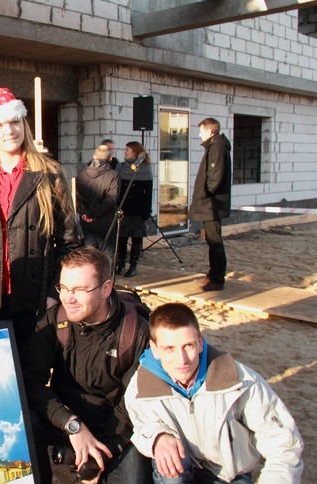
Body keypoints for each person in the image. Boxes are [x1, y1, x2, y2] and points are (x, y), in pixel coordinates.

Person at [125, 303, 304, 483]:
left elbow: (284, 446)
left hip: (228, 475)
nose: (182, 360)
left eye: (188, 346)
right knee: (172, 476)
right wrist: (157, 437)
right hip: (180, 469)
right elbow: (141, 424)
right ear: (154, 349)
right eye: (169, 348)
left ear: (201, 343)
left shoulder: (241, 382)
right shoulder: (140, 386)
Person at [21, 247, 152, 484]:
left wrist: (103, 452)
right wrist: (71, 424)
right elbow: (30, 380)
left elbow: (136, 403)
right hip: (67, 418)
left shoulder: (136, 333)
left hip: (117, 427)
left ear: (106, 289)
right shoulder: (55, 320)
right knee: (28, 420)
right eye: (64, 288)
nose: (68, 298)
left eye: (80, 290)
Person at [0, 86, 79, 349]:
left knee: (30, 376)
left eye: (14, 122)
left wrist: (54, 293)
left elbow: (69, 241)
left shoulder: (50, 174)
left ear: (23, 123)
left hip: (35, 300)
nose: (9, 131)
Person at [190, 117, 232, 292]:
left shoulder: (217, 148)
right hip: (210, 203)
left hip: (212, 204)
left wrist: (205, 194)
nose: (199, 134)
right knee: (211, 240)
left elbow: (215, 177)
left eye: (201, 130)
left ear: (210, 131)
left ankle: (217, 279)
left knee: (215, 241)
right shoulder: (215, 147)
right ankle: (213, 274)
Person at [114, 141, 152, 278]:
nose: (125, 152)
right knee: (122, 239)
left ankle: (133, 266)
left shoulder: (145, 168)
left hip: (137, 210)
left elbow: (148, 193)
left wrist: (146, 212)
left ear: (135, 152)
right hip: (123, 209)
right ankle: (121, 263)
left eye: (127, 149)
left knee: (136, 240)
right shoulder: (121, 167)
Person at [77, 144, 120, 256]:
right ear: (110, 159)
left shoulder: (81, 174)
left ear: (94, 156)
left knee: (89, 255)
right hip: (105, 222)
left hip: (86, 221)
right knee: (107, 256)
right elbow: (111, 199)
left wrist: (85, 214)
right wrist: (92, 214)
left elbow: (76, 197)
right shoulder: (114, 175)